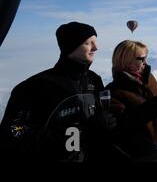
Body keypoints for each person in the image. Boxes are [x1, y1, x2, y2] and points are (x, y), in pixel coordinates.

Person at [0, 22, 116, 161]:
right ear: (70, 46)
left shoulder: (94, 80)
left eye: (95, 42)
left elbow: (99, 122)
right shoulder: (36, 85)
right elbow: (12, 132)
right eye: (88, 43)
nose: (96, 48)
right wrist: (77, 135)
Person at [105, 40, 157, 158]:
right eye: (141, 58)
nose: (145, 62)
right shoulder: (114, 91)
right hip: (148, 152)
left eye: (146, 57)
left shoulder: (149, 78)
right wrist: (148, 109)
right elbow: (121, 126)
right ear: (125, 60)